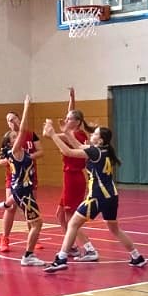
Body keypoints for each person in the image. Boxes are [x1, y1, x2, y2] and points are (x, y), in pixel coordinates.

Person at [42, 121, 146, 271]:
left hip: (97, 196)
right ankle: (137, 256)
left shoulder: (95, 152)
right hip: (111, 196)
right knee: (115, 229)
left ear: (100, 140)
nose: (92, 134)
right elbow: (79, 146)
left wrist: (52, 134)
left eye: (95, 133)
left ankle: (61, 258)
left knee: (72, 223)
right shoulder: (105, 151)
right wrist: (67, 133)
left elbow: (68, 152)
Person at [0, 109, 41, 256]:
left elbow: (41, 151)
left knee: (30, 207)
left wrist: (27, 157)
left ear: (19, 119)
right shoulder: (9, 139)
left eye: (13, 118)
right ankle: (5, 238)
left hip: (29, 175)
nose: (11, 122)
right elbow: (1, 159)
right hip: (14, 178)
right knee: (11, 209)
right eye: (9, 120)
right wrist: (12, 160)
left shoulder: (30, 135)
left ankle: (33, 236)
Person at [57, 90, 97, 262]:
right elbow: (71, 117)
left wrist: (50, 132)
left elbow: (56, 135)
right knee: (60, 214)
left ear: (77, 122)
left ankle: (89, 248)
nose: (66, 121)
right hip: (69, 177)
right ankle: (71, 246)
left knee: (71, 217)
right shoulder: (74, 132)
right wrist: (71, 100)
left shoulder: (77, 135)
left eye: (69, 119)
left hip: (74, 178)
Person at [5, 95, 45, 266]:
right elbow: (22, 131)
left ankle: (29, 254)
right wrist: (26, 107)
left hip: (22, 189)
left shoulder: (23, 152)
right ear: (11, 143)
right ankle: (28, 256)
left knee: (36, 223)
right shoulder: (15, 152)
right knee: (37, 224)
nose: (18, 138)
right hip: (22, 190)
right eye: (14, 138)